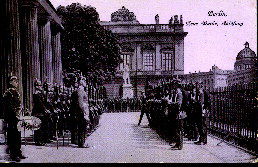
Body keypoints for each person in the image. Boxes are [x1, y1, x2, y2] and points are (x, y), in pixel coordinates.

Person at [2, 76, 26, 162]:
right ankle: (13, 154)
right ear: (10, 82)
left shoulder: (16, 92)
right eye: (14, 81)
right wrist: (15, 114)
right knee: (12, 136)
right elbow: (9, 107)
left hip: (17, 117)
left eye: (17, 81)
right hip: (11, 118)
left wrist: (21, 113)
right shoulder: (8, 93)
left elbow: (19, 105)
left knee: (18, 135)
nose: (17, 82)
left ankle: (18, 152)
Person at [31, 79, 49, 146]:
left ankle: (41, 140)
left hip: (41, 112)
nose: (40, 86)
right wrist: (45, 109)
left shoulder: (41, 94)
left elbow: (45, 102)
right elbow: (39, 104)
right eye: (39, 85)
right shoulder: (36, 94)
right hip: (37, 112)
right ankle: (38, 141)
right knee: (38, 127)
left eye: (40, 85)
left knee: (41, 126)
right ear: (36, 86)